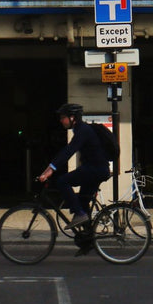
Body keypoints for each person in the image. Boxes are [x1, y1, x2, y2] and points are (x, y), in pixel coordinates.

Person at [36, 103, 113, 255]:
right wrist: (49, 168)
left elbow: (69, 151)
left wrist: (51, 170)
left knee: (62, 181)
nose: (61, 121)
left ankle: (79, 213)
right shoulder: (81, 129)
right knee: (83, 202)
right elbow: (66, 151)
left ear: (72, 118)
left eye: (63, 117)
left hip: (95, 170)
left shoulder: (83, 130)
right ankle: (87, 241)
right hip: (96, 169)